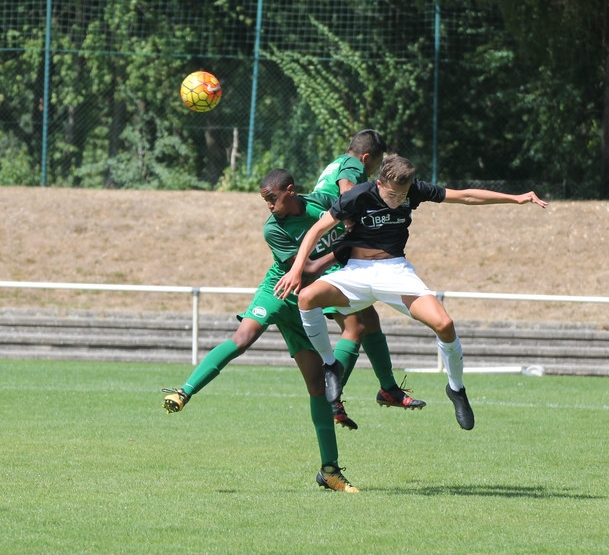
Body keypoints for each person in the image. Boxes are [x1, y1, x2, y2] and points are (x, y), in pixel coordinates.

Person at [274, 155, 548, 431]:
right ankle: (331, 365)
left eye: (403, 195)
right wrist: (297, 270)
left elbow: (464, 196)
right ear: (379, 183)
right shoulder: (358, 195)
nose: (397, 200)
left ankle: (456, 389)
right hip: (356, 272)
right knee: (307, 297)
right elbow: (316, 230)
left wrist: (516, 198)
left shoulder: (415, 190)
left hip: (395, 272)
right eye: (392, 194)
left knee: (445, 324)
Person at [162, 169, 359, 492]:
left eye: (272, 198)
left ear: (290, 191)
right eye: (264, 200)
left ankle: (330, 471)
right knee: (243, 338)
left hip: (305, 306)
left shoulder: (320, 202)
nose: (268, 205)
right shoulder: (273, 228)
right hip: (278, 292)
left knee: (317, 389)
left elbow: (349, 206)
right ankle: (184, 391)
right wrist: (344, 249)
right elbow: (306, 270)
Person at [312, 129, 426, 429]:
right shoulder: (352, 166)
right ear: (366, 158)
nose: (375, 172)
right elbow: (347, 190)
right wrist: (353, 217)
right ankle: (332, 400)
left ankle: (388, 388)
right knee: (355, 327)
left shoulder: (337, 162)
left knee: (370, 321)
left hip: (329, 249)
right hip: (333, 255)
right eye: (375, 165)